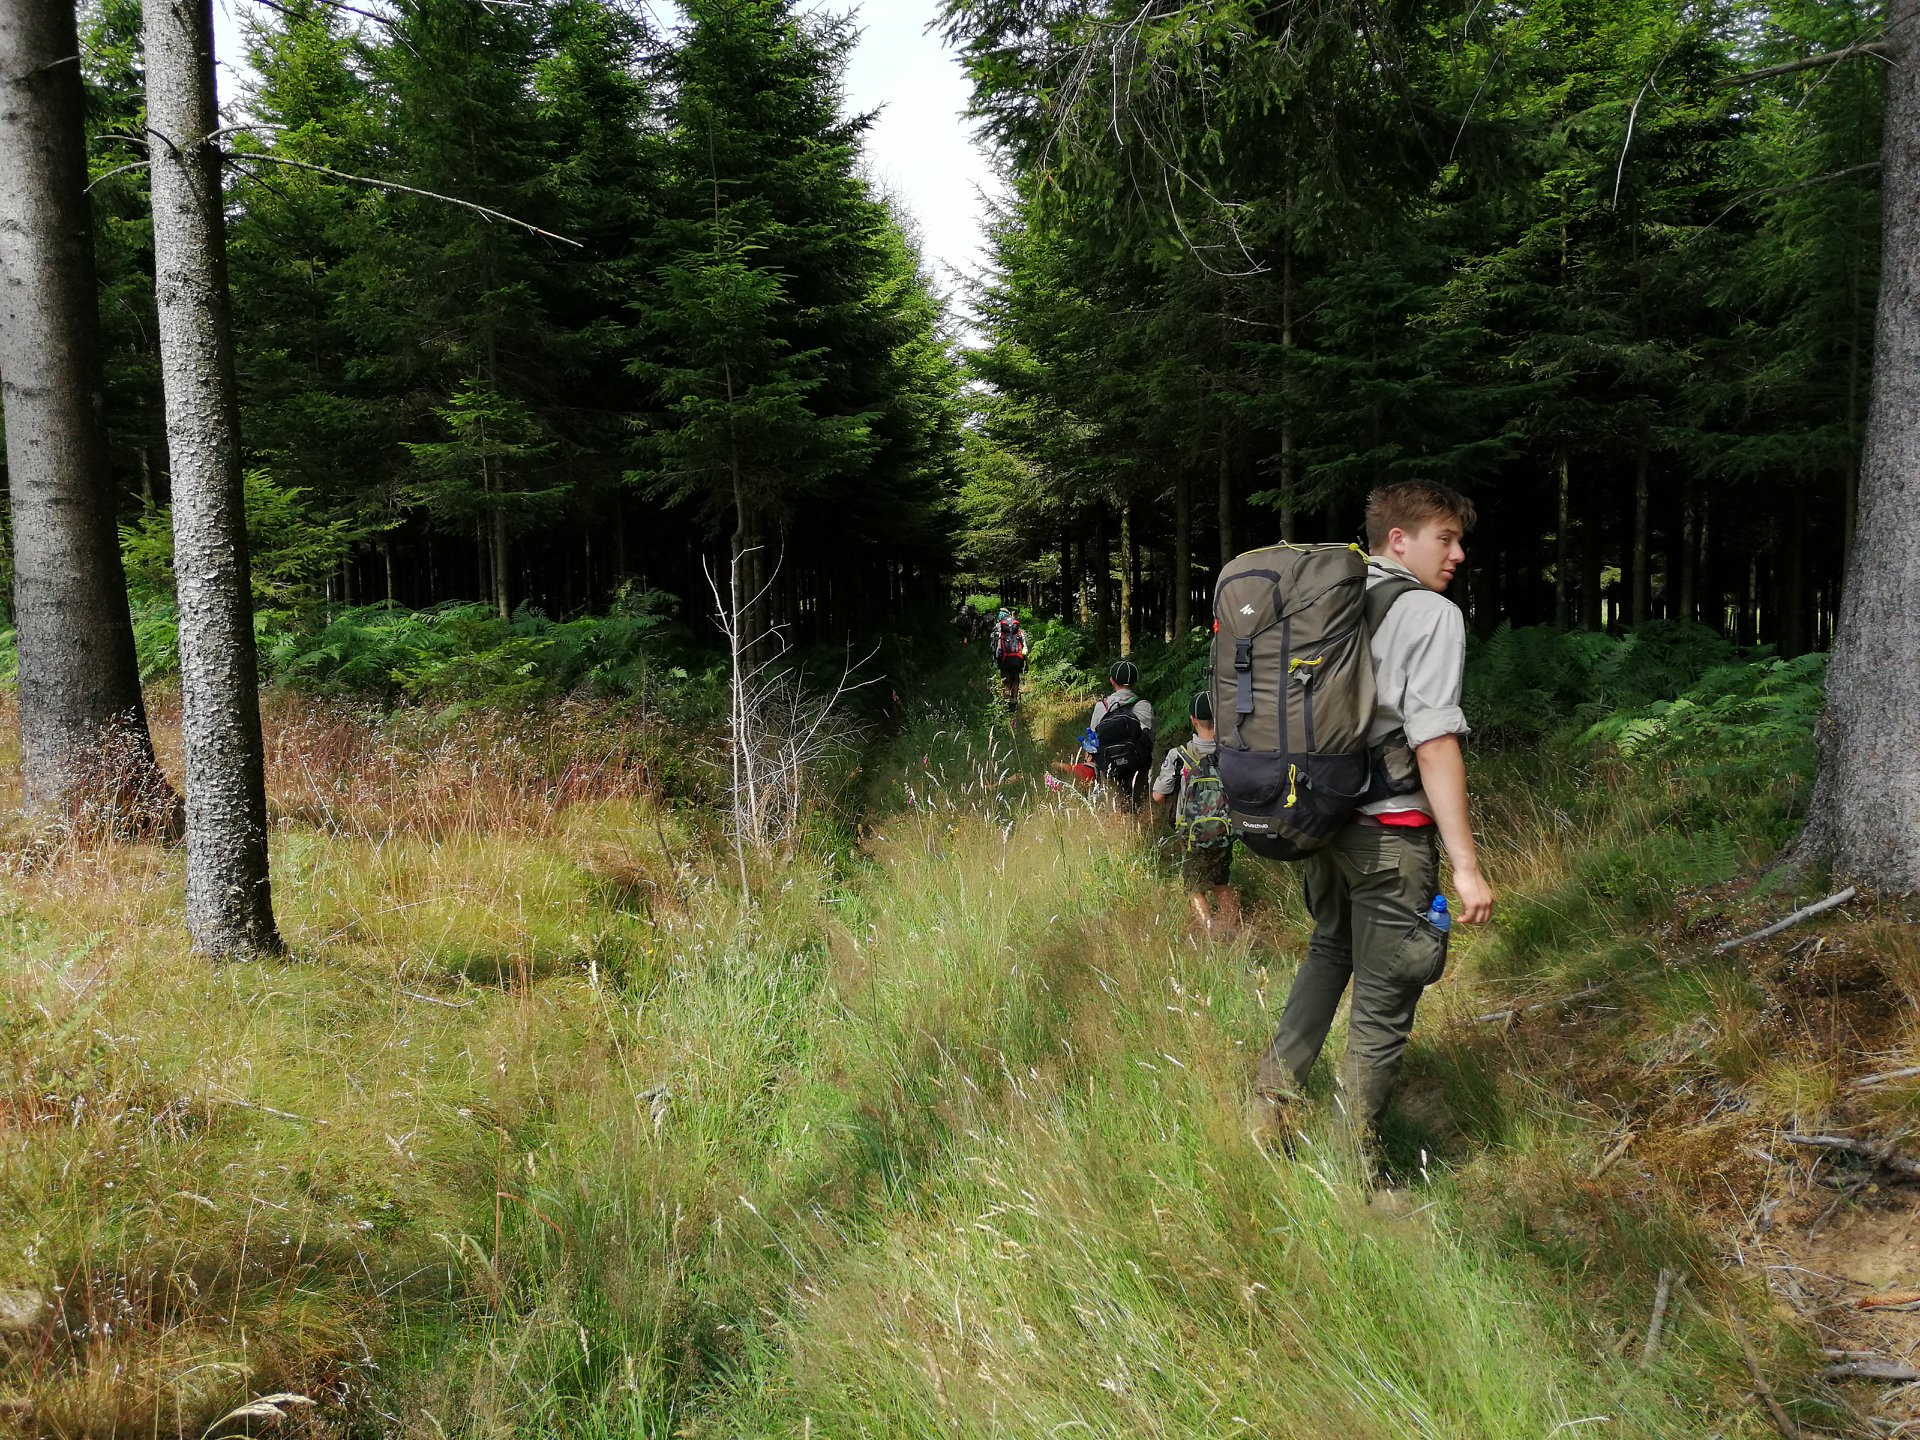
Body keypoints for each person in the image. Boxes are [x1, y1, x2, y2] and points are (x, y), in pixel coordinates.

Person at [1254, 480, 1495, 1174]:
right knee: (1385, 1000)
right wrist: (1467, 866)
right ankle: (1349, 1166)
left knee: (1329, 955)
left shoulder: (1324, 603)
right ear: (1399, 539)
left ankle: (1266, 1117)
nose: (1457, 555)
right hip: (1389, 834)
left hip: (1319, 822)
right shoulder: (1428, 613)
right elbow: (1434, 740)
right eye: (1444, 539)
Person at [1152, 690, 1239, 936]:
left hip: (1190, 835)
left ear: (1193, 719)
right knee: (1222, 884)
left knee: (1194, 887)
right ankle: (1231, 932)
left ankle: (1209, 933)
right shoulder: (1232, 755)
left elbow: (1158, 795)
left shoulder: (1179, 756)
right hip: (1224, 830)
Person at [1088, 660, 1154, 807]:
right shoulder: (1143, 706)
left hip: (1110, 765)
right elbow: (1149, 739)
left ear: (1112, 681)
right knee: (1138, 804)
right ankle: (1140, 824)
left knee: (1114, 804)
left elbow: (1093, 739)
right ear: (1135, 681)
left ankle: (1117, 825)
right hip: (1137, 764)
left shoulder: (1101, 707)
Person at [990, 606, 1029, 711]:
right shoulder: (1019, 631)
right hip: (1017, 659)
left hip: (1004, 659)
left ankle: (1006, 702)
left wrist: (995, 660)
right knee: (1016, 679)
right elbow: (1025, 647)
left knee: (1005, 680)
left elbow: (996, 647)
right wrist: (1026, 663)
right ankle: (1014, 701)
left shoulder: (999, 629)